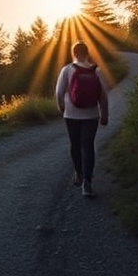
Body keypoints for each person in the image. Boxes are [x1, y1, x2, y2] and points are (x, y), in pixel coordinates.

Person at [56, 41, 109, 197]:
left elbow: (59, 93)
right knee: (88, 146)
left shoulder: (67, 70)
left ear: (74, 53)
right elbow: (103, 96)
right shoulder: (96, 70)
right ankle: (87, 184)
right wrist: (104, 115)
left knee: (75, 145)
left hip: (71, 115)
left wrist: (62, 109)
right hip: (91, 115)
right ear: (87, 53)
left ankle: (78, 173)